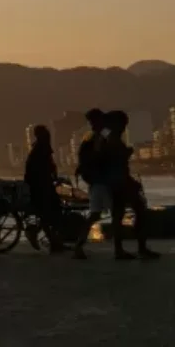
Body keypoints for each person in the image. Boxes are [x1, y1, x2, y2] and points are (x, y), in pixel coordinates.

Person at [103, 111, 159, 261]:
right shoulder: (113, 139)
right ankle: (138, 247)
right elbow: (116, 161)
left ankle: (121, 249)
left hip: (117, 183)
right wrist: (126, 153)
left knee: (118, 216)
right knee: (138, 211)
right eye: (123, 122)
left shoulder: (108, 137)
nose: (124, 126)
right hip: (120, 183)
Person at [72, 109, 113, 260]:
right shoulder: (99, 136)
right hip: (101, 181)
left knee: (95, 214)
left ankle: (79, 245)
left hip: (97, 181)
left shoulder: (89, 137)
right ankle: (119, 248)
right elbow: (102, 154)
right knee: (102, 214)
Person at [23, 126, 65, 254]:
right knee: (48, 213)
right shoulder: (41, 148)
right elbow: (48, 166)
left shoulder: (39, 147)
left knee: (49, 213)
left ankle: (53, 240)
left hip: (42, 184)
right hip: (41, 186)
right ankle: (49, 239)